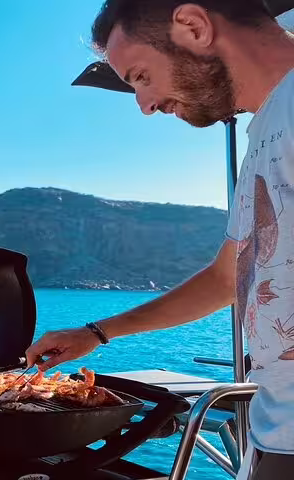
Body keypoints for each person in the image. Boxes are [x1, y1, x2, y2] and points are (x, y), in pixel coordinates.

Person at [24, 1, 294, 479]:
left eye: (141, 77)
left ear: (194, 26)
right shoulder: (265, 131)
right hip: (276, 434)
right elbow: (225, 278)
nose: (145, 107)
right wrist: (94, 333)